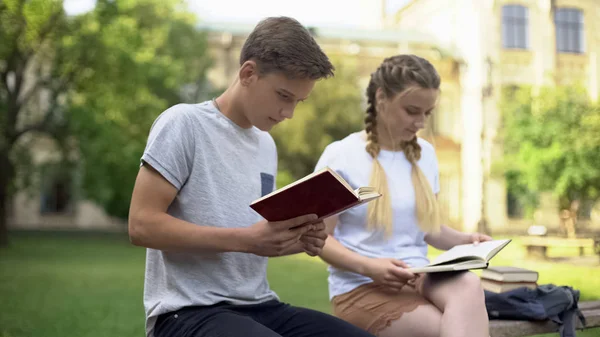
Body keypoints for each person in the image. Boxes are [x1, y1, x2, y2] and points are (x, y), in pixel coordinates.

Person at [127, 16, 377, 337]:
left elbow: (256, 241)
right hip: (187, 312)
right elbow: (141, 225)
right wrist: (247, 240)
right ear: (248, 73)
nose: (289, 113)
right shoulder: (183, 124)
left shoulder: (265, 144)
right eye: (283, 96)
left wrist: (299, 240)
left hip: (260, 306)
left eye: (298, 102)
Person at [315, 54, 493, 337]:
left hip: (419, 276)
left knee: (469, 285)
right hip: (361, 287)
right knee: (449, 330)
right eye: (412, 111)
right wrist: (369, 266)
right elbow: (320, 238)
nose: (420, 122)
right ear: (382, 98)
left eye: (427, 113)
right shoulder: (340, 156)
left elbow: (427, 231)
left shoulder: (427, 155)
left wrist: (466, 241)